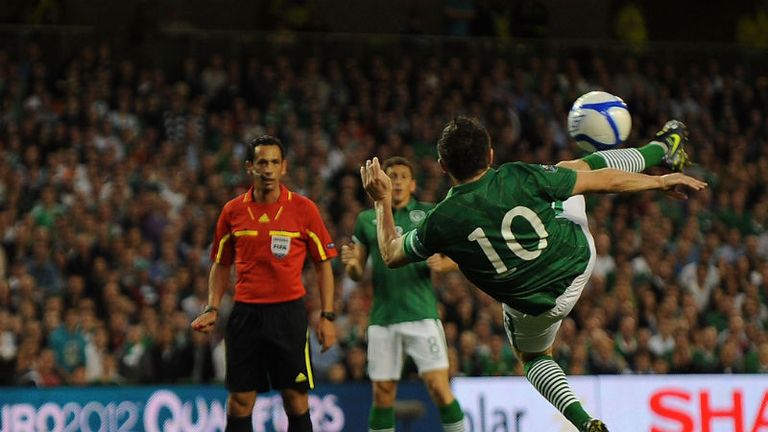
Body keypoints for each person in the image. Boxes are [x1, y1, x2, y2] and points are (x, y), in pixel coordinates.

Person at [360, 116, 705, 432]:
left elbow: (390, 253)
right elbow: (604, 181)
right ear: (491, 154)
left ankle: (583, 422)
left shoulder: (440, 220)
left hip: (534, 305)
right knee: (577, 167)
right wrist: (659, 182)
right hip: (576, 262)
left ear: (441, 166)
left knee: (534, 357)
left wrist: (382, 200)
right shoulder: (519, 175)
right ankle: (661, 148)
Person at [191, 135, 338, 432]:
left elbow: (324, 265)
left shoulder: (304, 209)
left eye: (274, 162)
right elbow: (221, 264)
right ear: (250, 167)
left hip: (289, 315)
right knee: (240, 402)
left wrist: (327, 315)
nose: (268, 169)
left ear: (283, 167)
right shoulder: (232, 211)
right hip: (246, 315)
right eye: (261, 162)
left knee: (295, 400)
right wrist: (212, 307)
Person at [341, 156, 465, 432]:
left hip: (421, 313)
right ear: (382, 181)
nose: (396, 181)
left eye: (402, 176)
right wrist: (350, 264)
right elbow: (357, 273)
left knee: (438, 387)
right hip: (383, 317)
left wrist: (443, 265)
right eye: (391, 175)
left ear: (413, 184)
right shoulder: (366, 218)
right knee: (383, 393)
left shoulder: (430, 213)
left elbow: (461, 254)